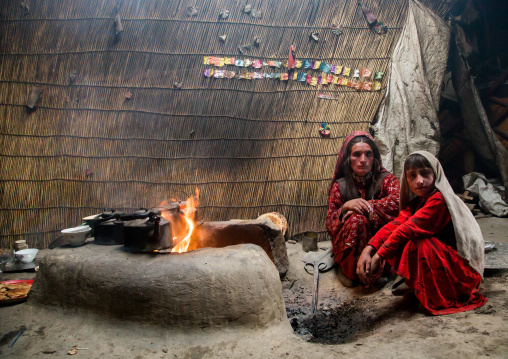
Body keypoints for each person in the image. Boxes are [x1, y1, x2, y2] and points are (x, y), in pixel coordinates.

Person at [357, 151, 487, 315]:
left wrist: (378, 257)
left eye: (425, 173)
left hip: (462, 274)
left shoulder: (438, 200)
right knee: (400, 237)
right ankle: (423, 289)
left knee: (418, 244)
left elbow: (407, 229)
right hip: (445, 264)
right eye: (412, 176)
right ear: (406, 179)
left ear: (436, 174)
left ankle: (440, 296)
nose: (419, 181)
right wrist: (369, 249)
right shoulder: (418, 202)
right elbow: (395, 225)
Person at [325, 131, 400, 287]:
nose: (363, 160)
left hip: (379, 247)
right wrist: (345, 208)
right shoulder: (341, 186)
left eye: (368, 154)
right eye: (356, 155)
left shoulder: (387, 180)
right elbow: (330, 224)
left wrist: (367, 207)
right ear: (348, 159)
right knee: (357, 221)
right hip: (351, 243)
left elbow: (398, 202)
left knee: (365, 218)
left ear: (374, 158)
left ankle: (376, 270)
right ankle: (349, 271)